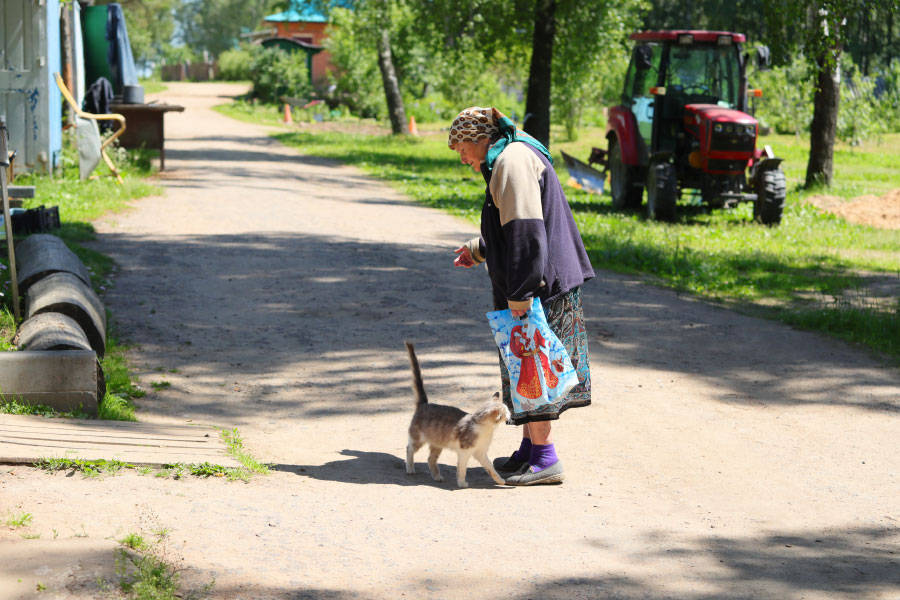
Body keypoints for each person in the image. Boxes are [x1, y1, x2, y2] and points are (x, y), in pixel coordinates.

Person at [449, 106, 594, 486]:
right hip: (535, 283)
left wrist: (521, 293)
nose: (460, 155)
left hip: (538, 287)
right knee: (523, 369)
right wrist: (481, 249)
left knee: (534, 369)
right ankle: (531, 450)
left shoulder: (511, 160)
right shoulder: (508, 154)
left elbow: (527, 233)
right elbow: (513, 226)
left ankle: (545, 458)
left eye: (461, 146)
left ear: (480, 137)